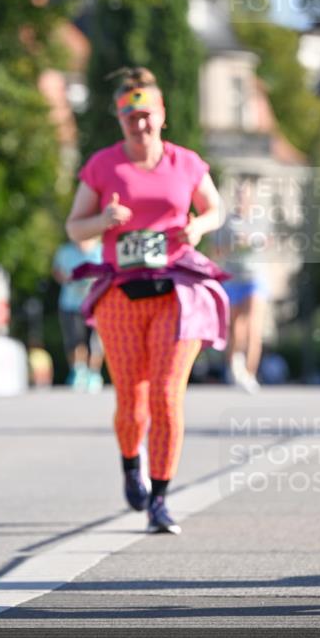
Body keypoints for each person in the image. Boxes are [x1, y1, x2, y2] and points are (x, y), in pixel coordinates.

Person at [66, 67, 229, 533]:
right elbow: (75, 228)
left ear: (162, 114)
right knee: (132, 400)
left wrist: (197, 226)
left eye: (146, 114)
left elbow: (215, 209)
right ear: (120, 119)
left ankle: (159, 498)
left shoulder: (186, 163)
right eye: (130, 116)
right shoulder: (103, 166)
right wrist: (103, 220)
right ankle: (130, 465)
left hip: (177, 290)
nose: (139, 124)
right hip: (121, 294)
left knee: (166, 395)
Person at [214, 179, 268, 393]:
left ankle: (250, 373)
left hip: (254, 278)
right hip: (233, 279)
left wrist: (252, 241)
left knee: (254, 326)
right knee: (236, 328)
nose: (242, 198)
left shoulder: (260, 220)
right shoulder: (227, 222)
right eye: (239, 194)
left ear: (251, 198)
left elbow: (268, 241)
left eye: (245, 194)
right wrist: (233, 245)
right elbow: (218, 250)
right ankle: (235, 365)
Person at [52, 239, 105, 391]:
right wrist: (68, 279)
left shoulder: (101, 249)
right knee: (75, 339)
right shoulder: (65, 251)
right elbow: (57, 271)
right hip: (71, 304)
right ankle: (79, 371)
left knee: (96, 341)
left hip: (95, 303)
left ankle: (94, 373)